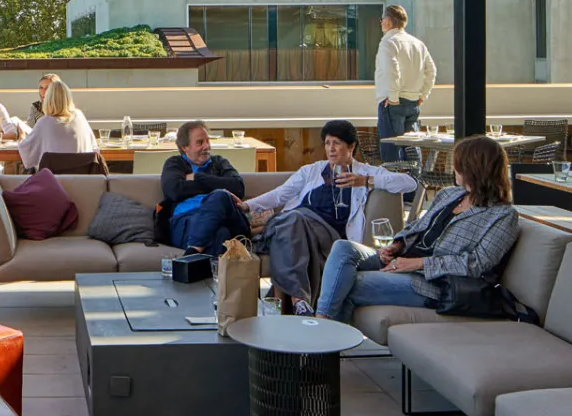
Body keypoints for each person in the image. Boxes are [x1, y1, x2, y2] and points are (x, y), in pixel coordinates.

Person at [317, 135, 520, 322]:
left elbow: (476, 264)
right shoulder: (449, 194)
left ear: (474, 170)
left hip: (433, 283)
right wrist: (397, 245)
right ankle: (323, 336)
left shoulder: (502, 215)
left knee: (348, 282)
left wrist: (417, 264)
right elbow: (417, 226)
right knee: (343, 248)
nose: (453, 170)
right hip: (404, 260)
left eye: (458, 166)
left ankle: (319, 339)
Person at [244, 120, 418, 316]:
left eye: (337, 143)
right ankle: (299, 300)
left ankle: (292, 299)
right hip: (295, 223)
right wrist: (247, 205)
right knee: (292, 221)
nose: (331, 149)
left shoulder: (363, 172)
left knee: (291, 223)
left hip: (327, 233)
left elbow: (409, 183)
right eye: (327, 143)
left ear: (351, 146)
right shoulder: (312, 170)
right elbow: (280, 195)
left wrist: (366, 181)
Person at [159, 121, 249, 256]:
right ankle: (214, 273)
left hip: (227, 219)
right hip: (187, 220)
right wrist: (214, 184)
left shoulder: (219, 162)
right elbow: (174, 191)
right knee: (221, 234)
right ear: (185, 147)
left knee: (220, 196)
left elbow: (238, 188)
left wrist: (198, 177)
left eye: (208, 141)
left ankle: (192, 252)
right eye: (200, 142)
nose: (206, 146)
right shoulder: (175, 163)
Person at [375, 4, 436, 161]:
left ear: (388, 21)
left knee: (391, 154)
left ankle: (394, 185)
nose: (381, 23)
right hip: (413, 102)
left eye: (382, 19)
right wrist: (423, 95)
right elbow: (431, 71)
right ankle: (416, 184)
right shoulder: (418, 44)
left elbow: (392, 71)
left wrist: (393, 97)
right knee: (412, 151)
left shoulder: (388, 42)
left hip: (393, 103)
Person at [16, 78, 97, 171]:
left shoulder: (44, 123)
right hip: (82, 181)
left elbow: (27, 153)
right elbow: (93, 146)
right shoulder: (79, 117)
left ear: (48, 100)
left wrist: (21, 137)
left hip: (52, 182)